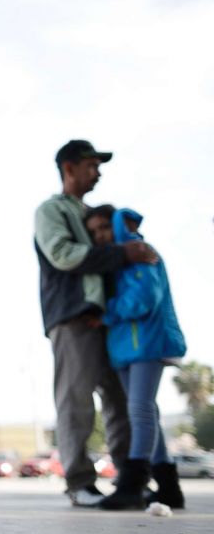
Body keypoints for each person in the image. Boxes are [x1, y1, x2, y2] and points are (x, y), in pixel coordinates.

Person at [33, 141, 157, 507]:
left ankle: (129, 480)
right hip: (73, 317)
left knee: (121, 401)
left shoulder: (95, 213)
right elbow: (62, 254)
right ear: (69, 169)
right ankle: (80, 482)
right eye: (90, 165)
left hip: (110, 319)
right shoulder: (51, 210)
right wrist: (120, 253)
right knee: (76, 400)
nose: (98, 172)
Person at [84, 205, 187, 510]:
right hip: (125, 346)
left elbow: (144, 299)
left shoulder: (140, 253)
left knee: (140, 410)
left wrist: (107, 312)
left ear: (121, 224)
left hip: (147, 342)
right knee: (147, 413)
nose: (100, 236)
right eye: (94, 233)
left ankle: (132, 483)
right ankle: (168, 487)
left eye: (104, 228)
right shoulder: (116, 261)